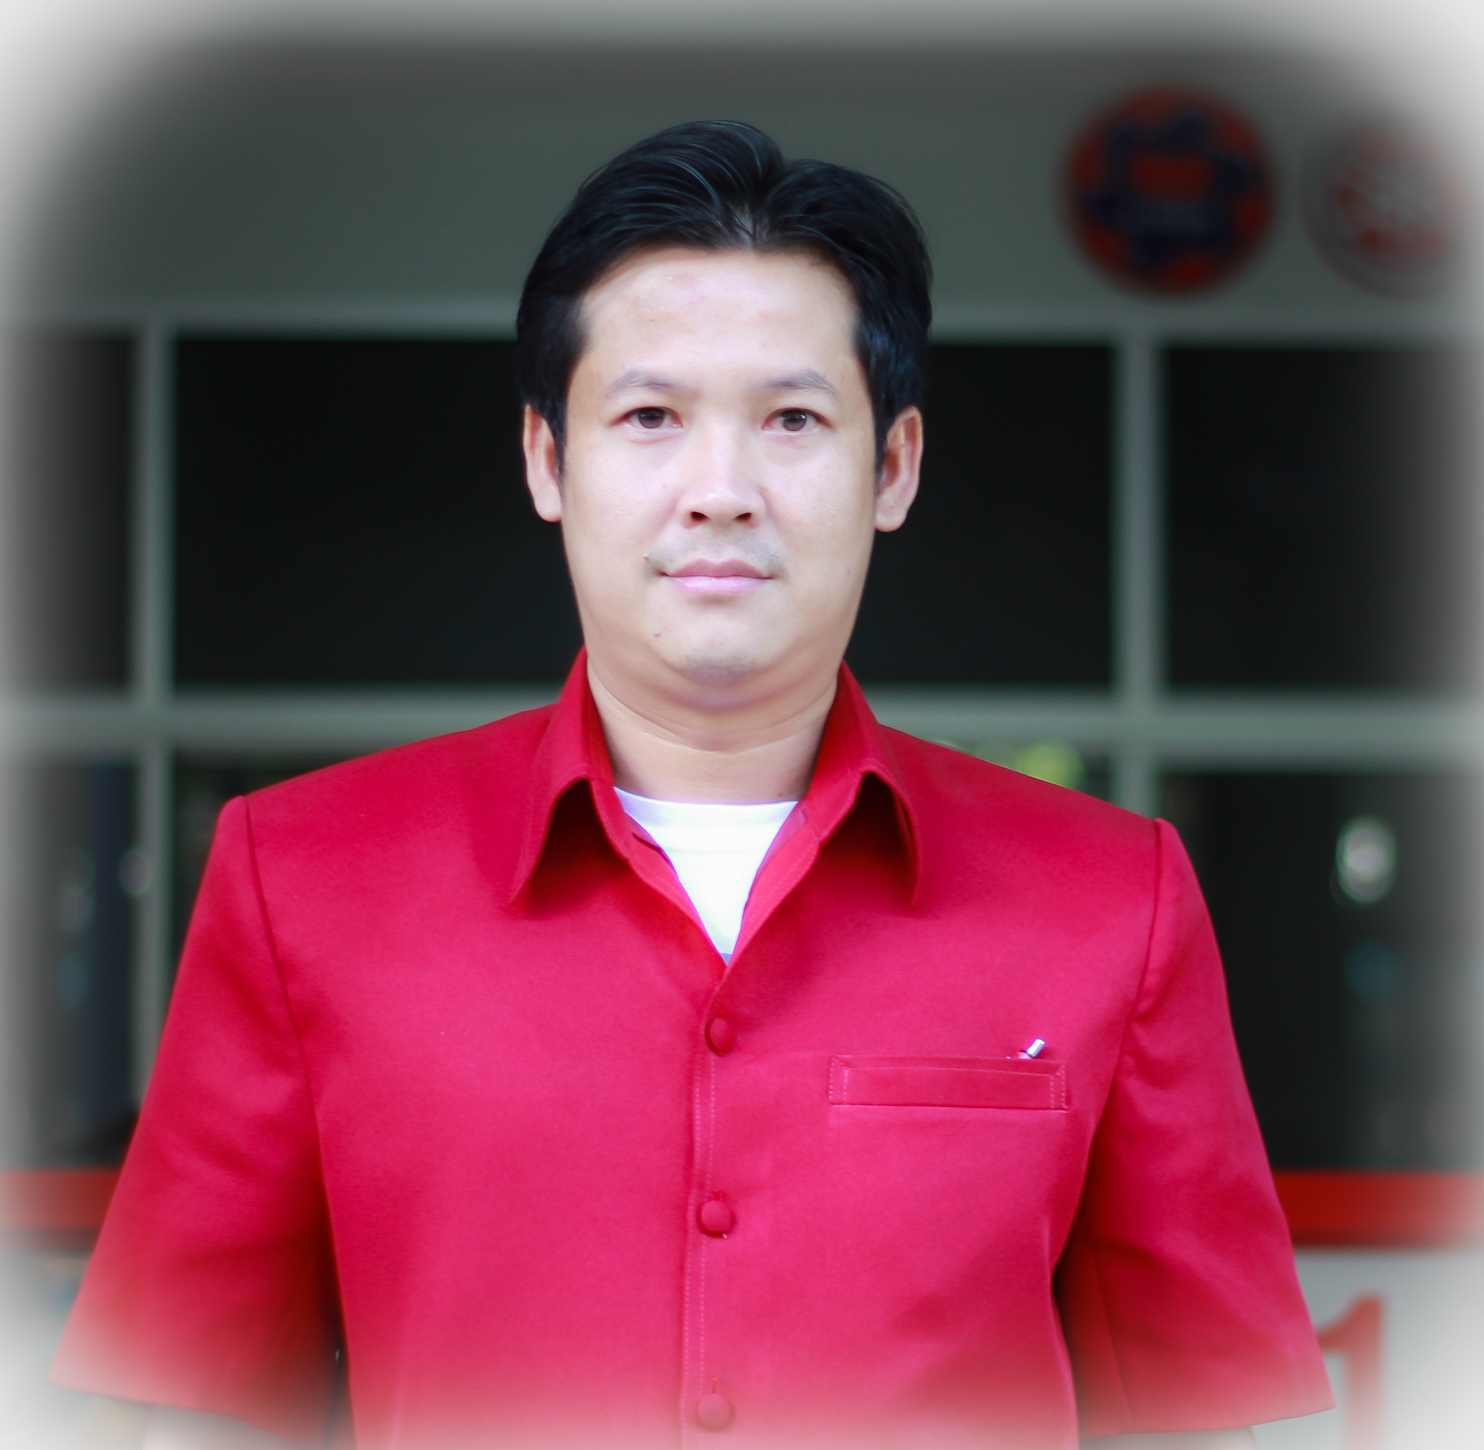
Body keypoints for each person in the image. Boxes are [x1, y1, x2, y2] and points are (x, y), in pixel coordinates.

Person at [55, 121, 1331, 1450]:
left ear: (894, 467)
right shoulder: (305, 878)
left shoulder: (1109, 899)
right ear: (547, 459)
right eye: (651, 417)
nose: (721, 491)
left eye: (793, 420)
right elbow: (191, 1411)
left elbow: (1200, 1419)